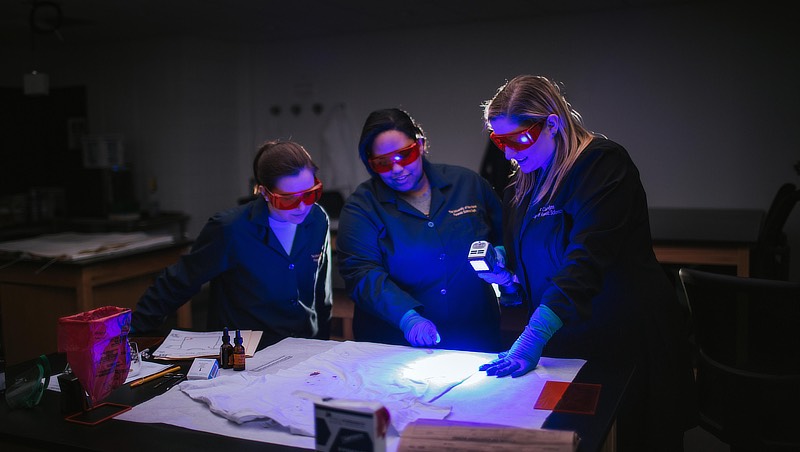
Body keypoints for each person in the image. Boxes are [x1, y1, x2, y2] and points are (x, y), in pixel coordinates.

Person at [476, 75, 696, 450]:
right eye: (500, 142)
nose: (510, 154)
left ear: (554, 123)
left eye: (518, 139)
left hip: (625, 338)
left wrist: (532, 335)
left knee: (633, 438)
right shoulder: (523, 183)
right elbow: (529, 261)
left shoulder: (602, 166)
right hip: (568, 341)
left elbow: (585, 259)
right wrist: (507, 273)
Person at [131, 140, 332, 349]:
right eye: (289, 199)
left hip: (302, 349)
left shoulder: (317, 219)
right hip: (247, 354)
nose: (302, 207)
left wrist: (324, 350)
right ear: (264, 193)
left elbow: (320, 296)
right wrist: (134, 334)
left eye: (310, 194)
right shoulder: (231, 230)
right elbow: (179, 281)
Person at [335, 108, 504, 352]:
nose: (396, 169)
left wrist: (502, 261)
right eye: (382, 162)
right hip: (395, 346)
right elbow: (362, 274)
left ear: (421, 145)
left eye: (405, 155)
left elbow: (506, 237)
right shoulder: (361, 206)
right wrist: (408, 318)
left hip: (474, 338)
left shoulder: (467, 185)